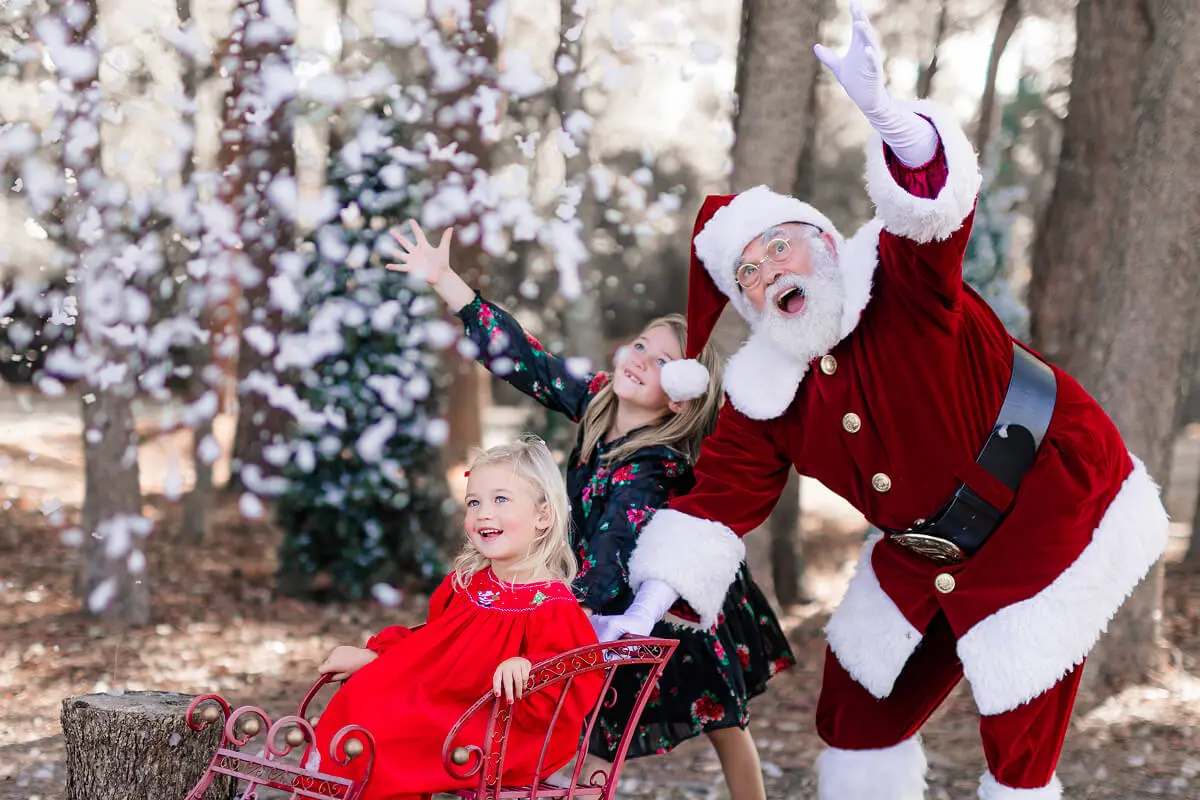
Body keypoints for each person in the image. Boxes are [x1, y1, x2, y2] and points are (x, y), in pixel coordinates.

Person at [593, 3, 1171, 799]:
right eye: (749, 275)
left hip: (1050, 500)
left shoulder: (899, 283)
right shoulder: (769, 392)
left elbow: (933, 206)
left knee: (1018, 734)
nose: (769, 273)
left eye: (779, 247)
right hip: (925, 547)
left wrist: (889, 118)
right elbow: (713, 504)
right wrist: (644, 606)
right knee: (858, 709)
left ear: (824, 242)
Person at [387, 222, 795, 800]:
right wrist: (448, 282)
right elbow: (524, 360)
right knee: (600, 728)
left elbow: (607, 568)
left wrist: (541, 625)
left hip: (660, 602)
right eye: (641, 347)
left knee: (716, 718)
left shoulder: (648, 470)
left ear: (679, 393)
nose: (640, 361)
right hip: (602, 593)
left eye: (660, 363)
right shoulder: (600, 399)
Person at [312, 436, 604, 800]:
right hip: (446, 707)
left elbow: (574, 681)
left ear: (543, 515)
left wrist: (529, 666)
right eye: (474, 502)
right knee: (362, 703)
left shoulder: (553, 605)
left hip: (497, 730)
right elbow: (430, 645)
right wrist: (376, 656)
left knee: (387, 732)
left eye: (501, 499)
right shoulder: (468, 585)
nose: (484, 512)